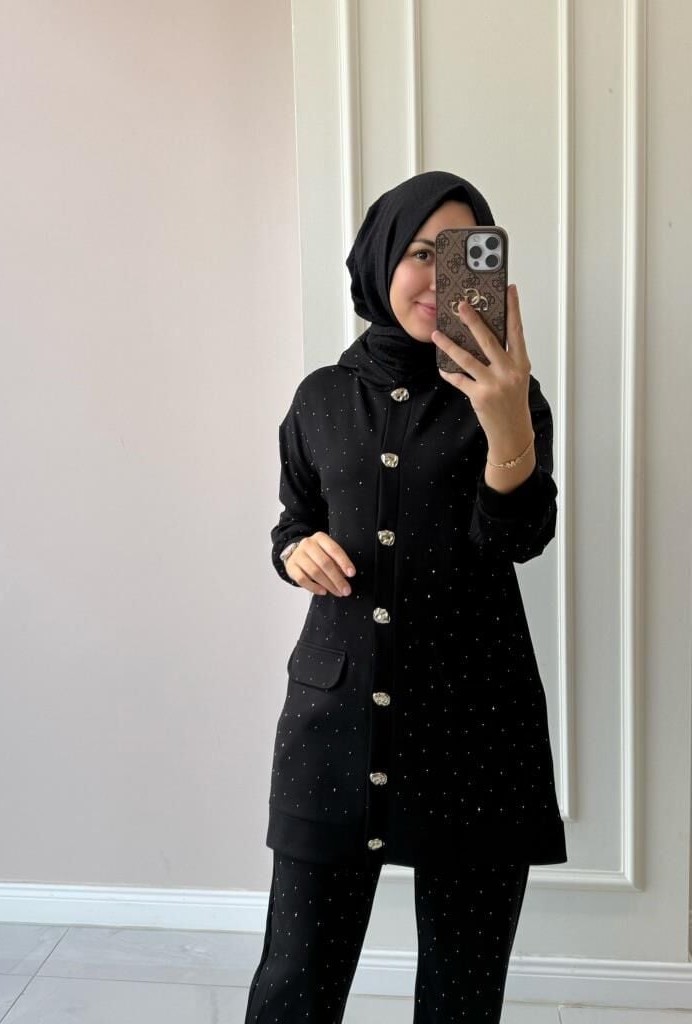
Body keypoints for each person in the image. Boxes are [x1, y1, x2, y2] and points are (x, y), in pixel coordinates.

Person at [244, 170, 567, 1023]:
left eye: (463, 254)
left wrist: (506, 421)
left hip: (475, 728)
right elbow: (294, 520)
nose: (437, 276)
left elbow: (518, 540)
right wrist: (295, 551)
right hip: (334, 724)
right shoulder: (321, 397)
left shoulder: (512, 396)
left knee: (461, 996)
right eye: (422, 251)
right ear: (381, 255)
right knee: (293, 985)